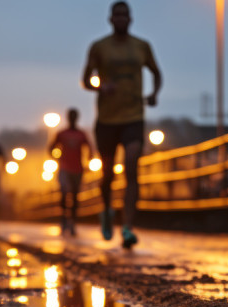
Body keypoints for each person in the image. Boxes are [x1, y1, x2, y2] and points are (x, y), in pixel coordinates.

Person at [82, 0, 162, 249]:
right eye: (116, 15)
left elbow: (157, 73)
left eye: (125, 15)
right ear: (110, 19)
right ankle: (106, 210)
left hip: (134, 116)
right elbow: (86, 79)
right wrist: (100, 86)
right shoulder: (99, 47)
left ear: (131, 19)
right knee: (107, 174)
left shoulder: (142, 46)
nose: (121, 19)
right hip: (106, 119)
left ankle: (128, 226)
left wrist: (154, 94)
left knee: (131, 165)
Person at [47, 108, 94, 236]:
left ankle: (72, 222)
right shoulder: (61, 134)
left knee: (75, 196)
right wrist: (55, 156)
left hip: (78, 169)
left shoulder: (81, 134)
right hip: (64, 168)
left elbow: (89, 147)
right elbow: (51, 147)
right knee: (63, 193)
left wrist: (90, 158)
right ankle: (63, 220)